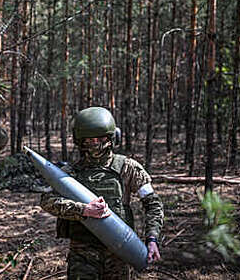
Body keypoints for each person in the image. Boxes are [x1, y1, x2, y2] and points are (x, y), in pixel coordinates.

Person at [40, 107, 164, 280]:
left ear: (112, 138)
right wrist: (82, 209)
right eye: (89, 140)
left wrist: (152, 239)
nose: (95, 143)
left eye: (101, 138)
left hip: (119, 252)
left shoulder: (128, 168)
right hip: (82, 253)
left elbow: (153, 204)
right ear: (80, 141)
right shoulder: (70, 173)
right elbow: (47, 200)